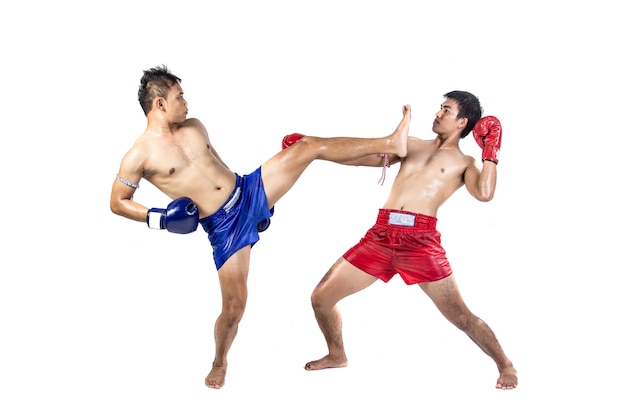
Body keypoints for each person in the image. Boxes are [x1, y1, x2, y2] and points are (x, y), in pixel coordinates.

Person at [109, 65, 411, 389]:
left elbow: (220, 167)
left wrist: (263, 201)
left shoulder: (195, 126)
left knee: (308, 146)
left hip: (248, 190)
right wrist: (161, 218)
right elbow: (118, 201)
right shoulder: (138, 155)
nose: (186, 103)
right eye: (179, 97)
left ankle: (389, 146)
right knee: (235, 307)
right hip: (224, 226)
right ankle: (219, 361)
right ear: (159, 104)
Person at [304, 91, 518, 390]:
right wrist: (313, 149)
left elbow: (484, 193)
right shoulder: (412, 145)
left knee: (460, 315)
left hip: (420, 242)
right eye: (440, 107)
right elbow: (363, 158)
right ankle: (337, 354)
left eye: (446, 110)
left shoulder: (465, 162)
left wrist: (490, 151)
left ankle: (505, 365)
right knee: (321, 298)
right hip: (380, 236)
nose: (438, 113)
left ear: (462, 122)